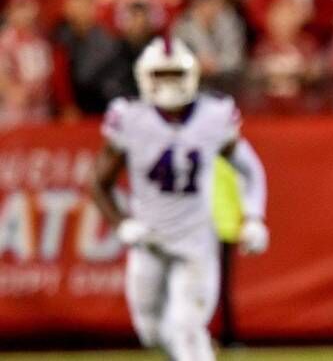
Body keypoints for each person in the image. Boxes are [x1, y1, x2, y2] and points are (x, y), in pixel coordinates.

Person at [90, 36, 269, 361]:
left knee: (186, 327)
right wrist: (122, 225)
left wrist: (254, 217)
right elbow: (99, 183)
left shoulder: (213, 114)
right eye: (160, 75)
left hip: (196, 240)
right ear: (144, 76)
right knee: (151, 331)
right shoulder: (130, 117)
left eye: (174, 74)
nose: (168, 83)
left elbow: (250, 169)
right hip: (149, 240)